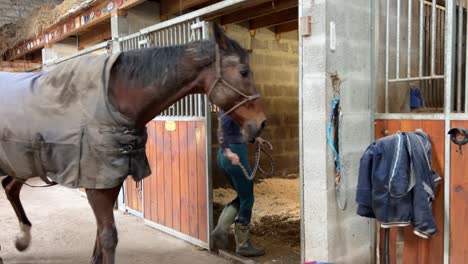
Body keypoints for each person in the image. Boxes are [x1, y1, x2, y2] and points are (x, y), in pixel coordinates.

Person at [211, 109, 265, 257]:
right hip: (234, 155)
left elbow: (236, 130)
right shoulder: (233, 107)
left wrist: (255, 139)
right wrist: (229, 151)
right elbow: (222, 132)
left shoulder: (227, 107)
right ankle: (243, 244)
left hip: (223, 157)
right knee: (248, 198)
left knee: (242, 196)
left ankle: (220, 229)